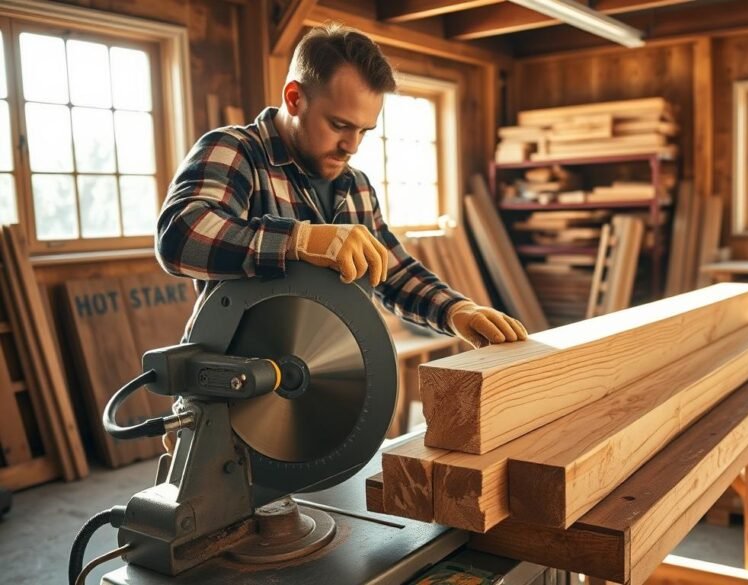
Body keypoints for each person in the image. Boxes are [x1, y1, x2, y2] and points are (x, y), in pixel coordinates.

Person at [156, 22, 527, 351]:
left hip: (325, 383)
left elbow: (392, 271)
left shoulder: (356, 187)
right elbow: (179, 236)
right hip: (233, 390)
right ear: (294, 98)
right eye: (339, 125)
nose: (353, 146)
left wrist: (457, 311)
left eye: (364, 130)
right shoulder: (236, 151)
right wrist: (300, 241)